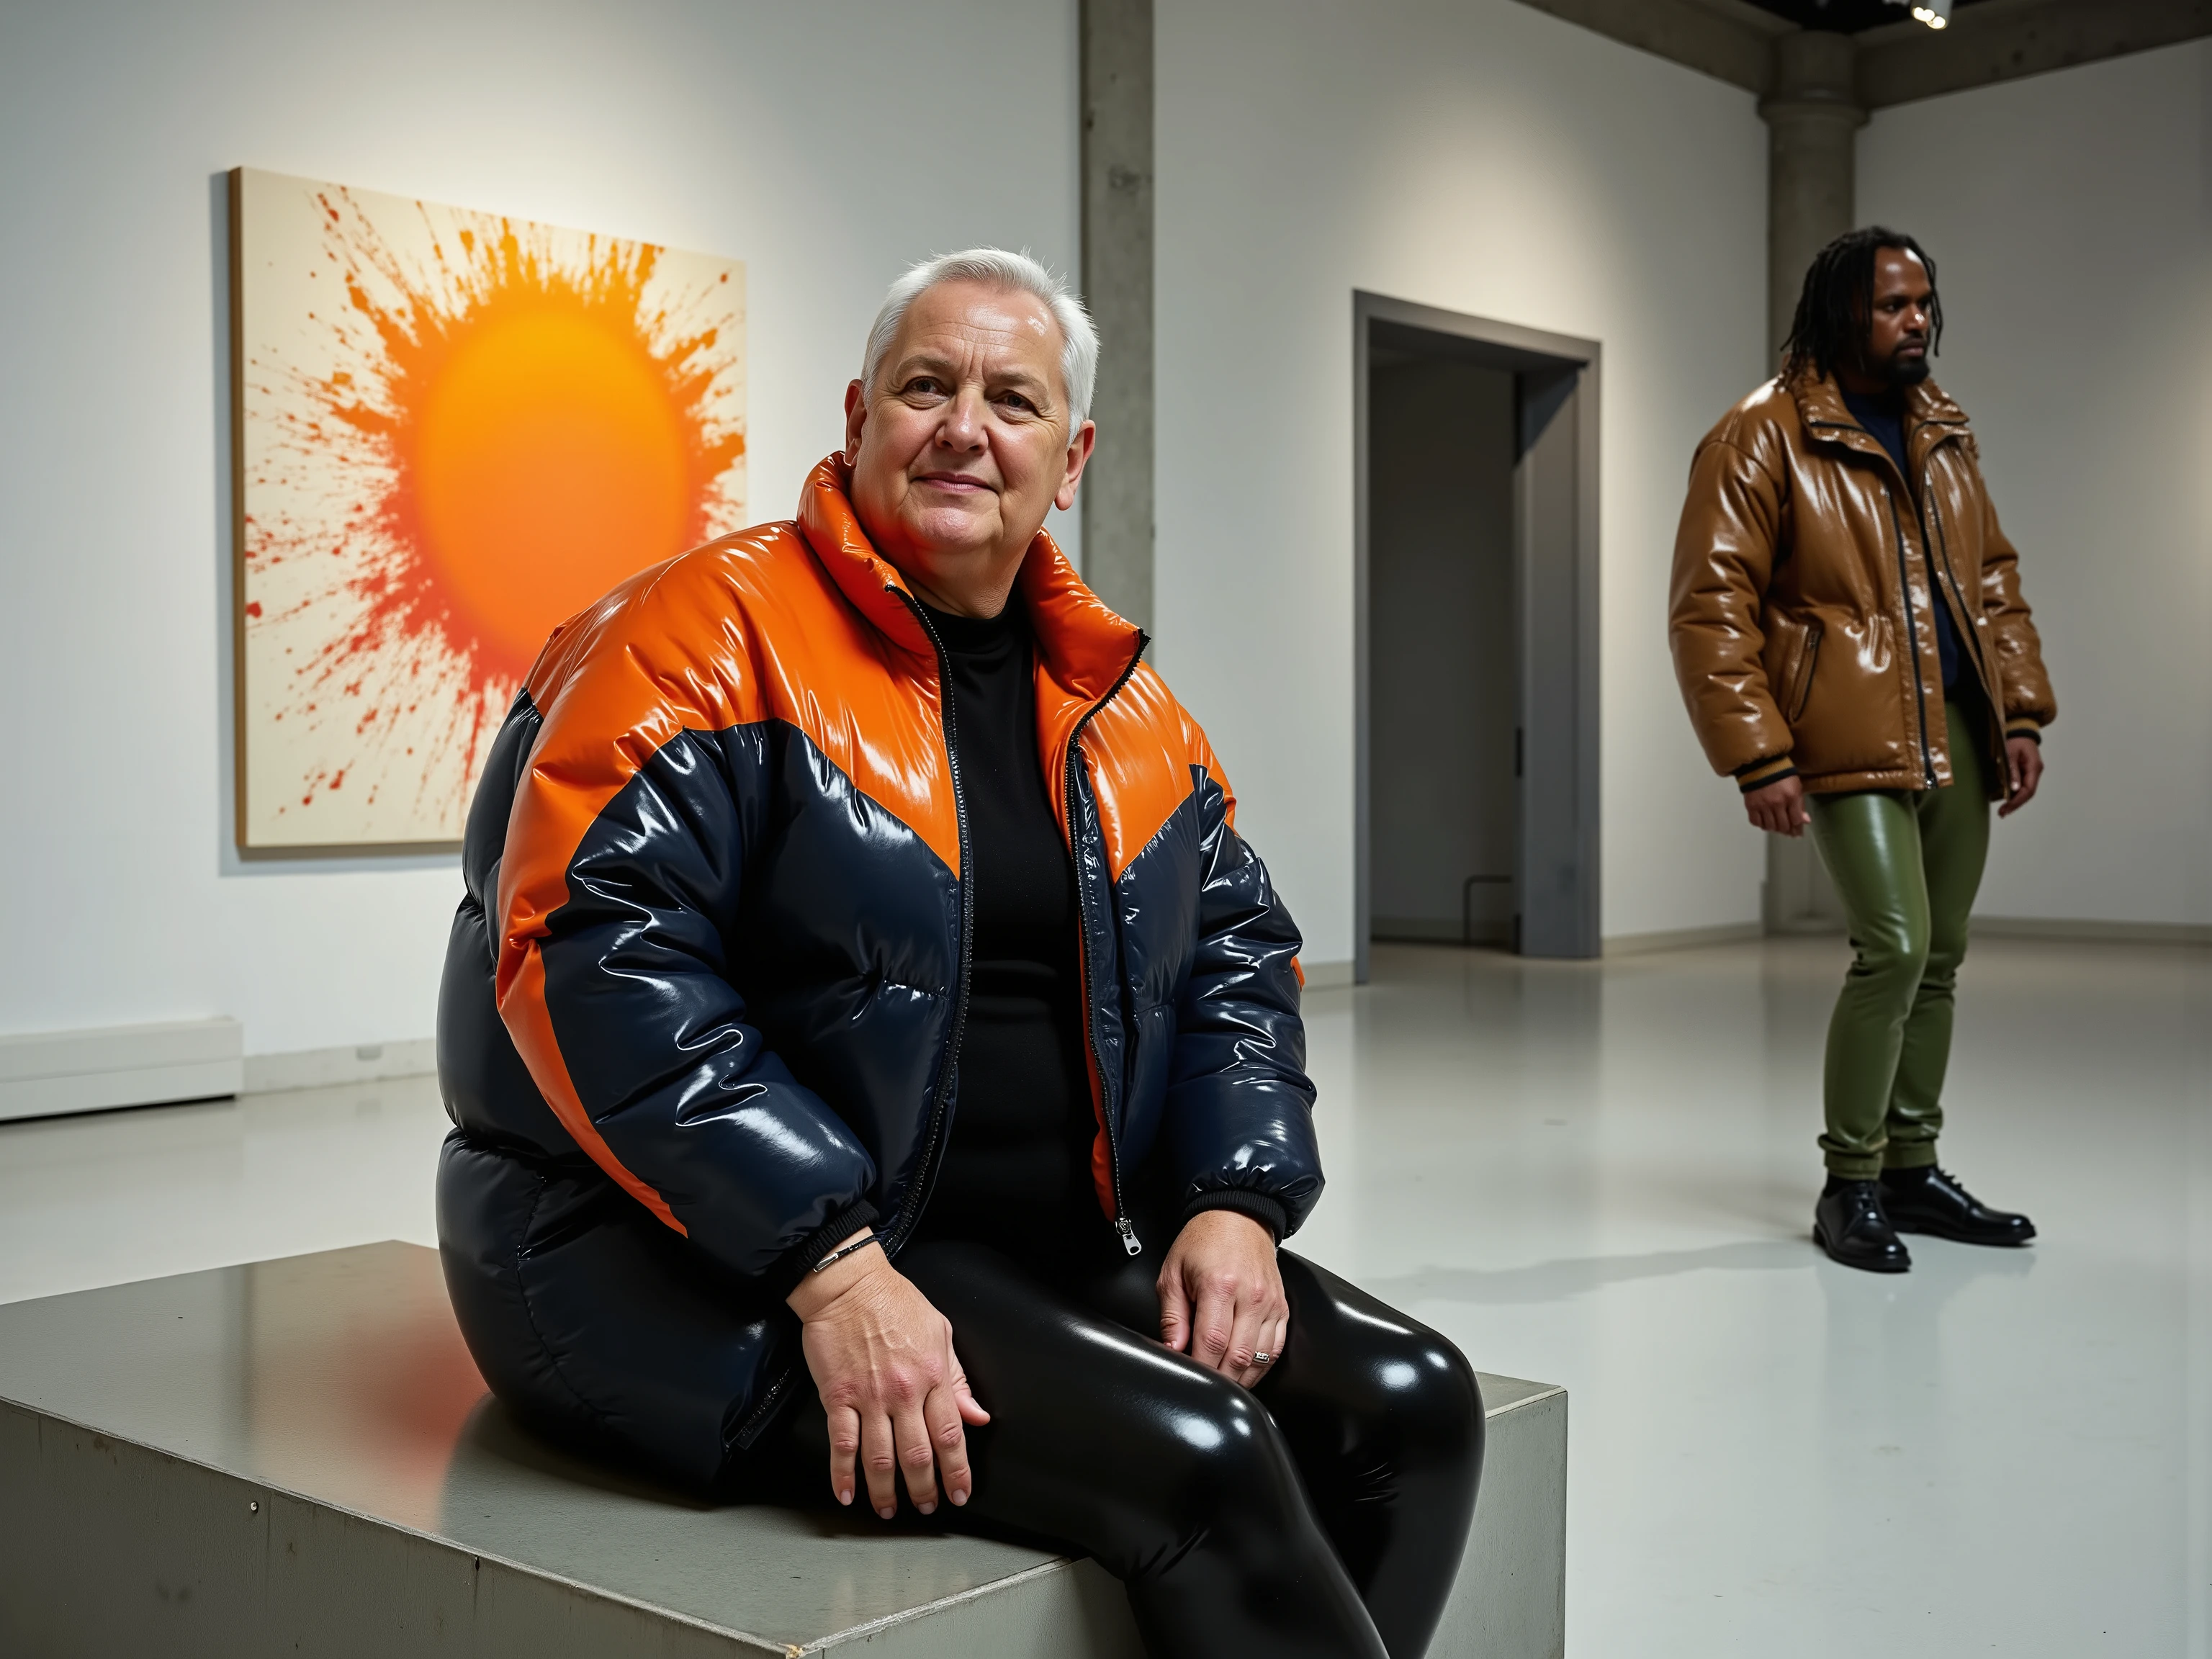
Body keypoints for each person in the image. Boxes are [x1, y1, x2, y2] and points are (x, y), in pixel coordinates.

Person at [435, 248, 1483, 1657]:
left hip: (1019, 1244)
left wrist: (1232, 1199)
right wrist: (835, 1268)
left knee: (1414, 1403)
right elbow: (592, 956)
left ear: (1075, 454)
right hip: (672, 1256)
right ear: (860, 413)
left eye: (1014, 398)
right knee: (1205, 1461)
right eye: (926, 387)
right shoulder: (697, 637)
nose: (965, 427)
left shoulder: (1115, 697)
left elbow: (1232, 949)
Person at [1668, 227, 2056, 1274]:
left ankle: (1912, 1168)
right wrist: (1759, 754)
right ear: (1844, 311)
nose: (1918, 320)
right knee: (1893, 946)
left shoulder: (1943, 431)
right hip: (1842, 736)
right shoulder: (1760, 434)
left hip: (1957, 733)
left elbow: (1994, 582)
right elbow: (1711, 609)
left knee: (1942, 958)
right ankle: (1850, 1185)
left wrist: (2018, 712)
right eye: (1894, 305)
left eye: (1925, 302)